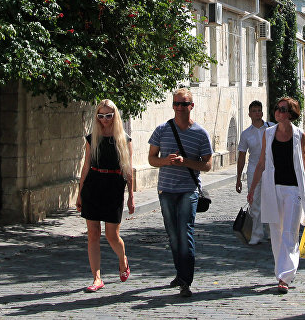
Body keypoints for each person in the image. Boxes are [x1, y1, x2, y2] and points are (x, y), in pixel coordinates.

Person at [148, 88, 213, 298]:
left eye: (184, 104)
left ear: (191, 106)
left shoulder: (200, 133)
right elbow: (151, 158)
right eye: (176, 103)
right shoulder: (162, 130)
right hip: (166, 190)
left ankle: (186, 280)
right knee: (173, 236)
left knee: (185, 233)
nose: (179, 107)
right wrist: (166, 161)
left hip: (188, 190)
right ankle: (179, 273)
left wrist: (185, 162)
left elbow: (208, 165)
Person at [247, 96, 305, 294]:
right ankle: (280, 273)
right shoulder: (268, 134)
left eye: (283, 109)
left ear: (291, 114)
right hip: (272, 188)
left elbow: (303, 165)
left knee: (289, 232)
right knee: (276, 233)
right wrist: (252, 189)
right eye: (277, 108)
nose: (278, 112)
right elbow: (261, 163)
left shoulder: (299, 135)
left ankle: (286, 276)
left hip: (293, 190)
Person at [76, 99, 135, 293]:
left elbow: (128, 170)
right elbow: (86, 166)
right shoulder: (91, 138)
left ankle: (122, 259)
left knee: (111, 235)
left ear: (115, 116)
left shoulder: (124, 139)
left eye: (108, 115)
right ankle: (96, 278)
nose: (105, 120)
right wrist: (79, 193)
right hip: (93, 185)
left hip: (113, 187)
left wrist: (131, 196)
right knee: (93, 233)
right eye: (101, 116)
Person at [235, 100, 273, 245]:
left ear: (262, 112)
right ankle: (256, 233)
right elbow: (242, 156)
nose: (257, 113)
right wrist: (238, 178)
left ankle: (271, 231)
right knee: (254, 201)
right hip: (253, 169)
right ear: (250, 114)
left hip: (270, 169)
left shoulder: (271, 128)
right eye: (254, 111)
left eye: (259, 110)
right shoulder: (246, 134)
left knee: (270, 200)